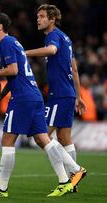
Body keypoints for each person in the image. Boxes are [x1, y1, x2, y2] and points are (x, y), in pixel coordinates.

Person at [0, 13, 86, 197]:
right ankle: (70, 175)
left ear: (0, 27)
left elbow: (13, 70)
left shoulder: (7, 44)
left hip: (23, 99)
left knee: (7, 140)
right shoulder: (14, 43)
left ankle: (1, 188)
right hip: (34, 96)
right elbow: (13, 78)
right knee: (43, 139)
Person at [25, 5, 87, 189]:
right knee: (64, 138)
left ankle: (72, 174)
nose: (38, 19)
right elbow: (74, 68)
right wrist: (78, 96)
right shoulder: (65, 38)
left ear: (52, 19)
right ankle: (72, 183)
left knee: (40, 135)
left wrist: (24, 53)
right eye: (38, 16)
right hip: (67, 94)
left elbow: (51, 51)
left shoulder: (53, 36)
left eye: (42, 16)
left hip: (59, 95)